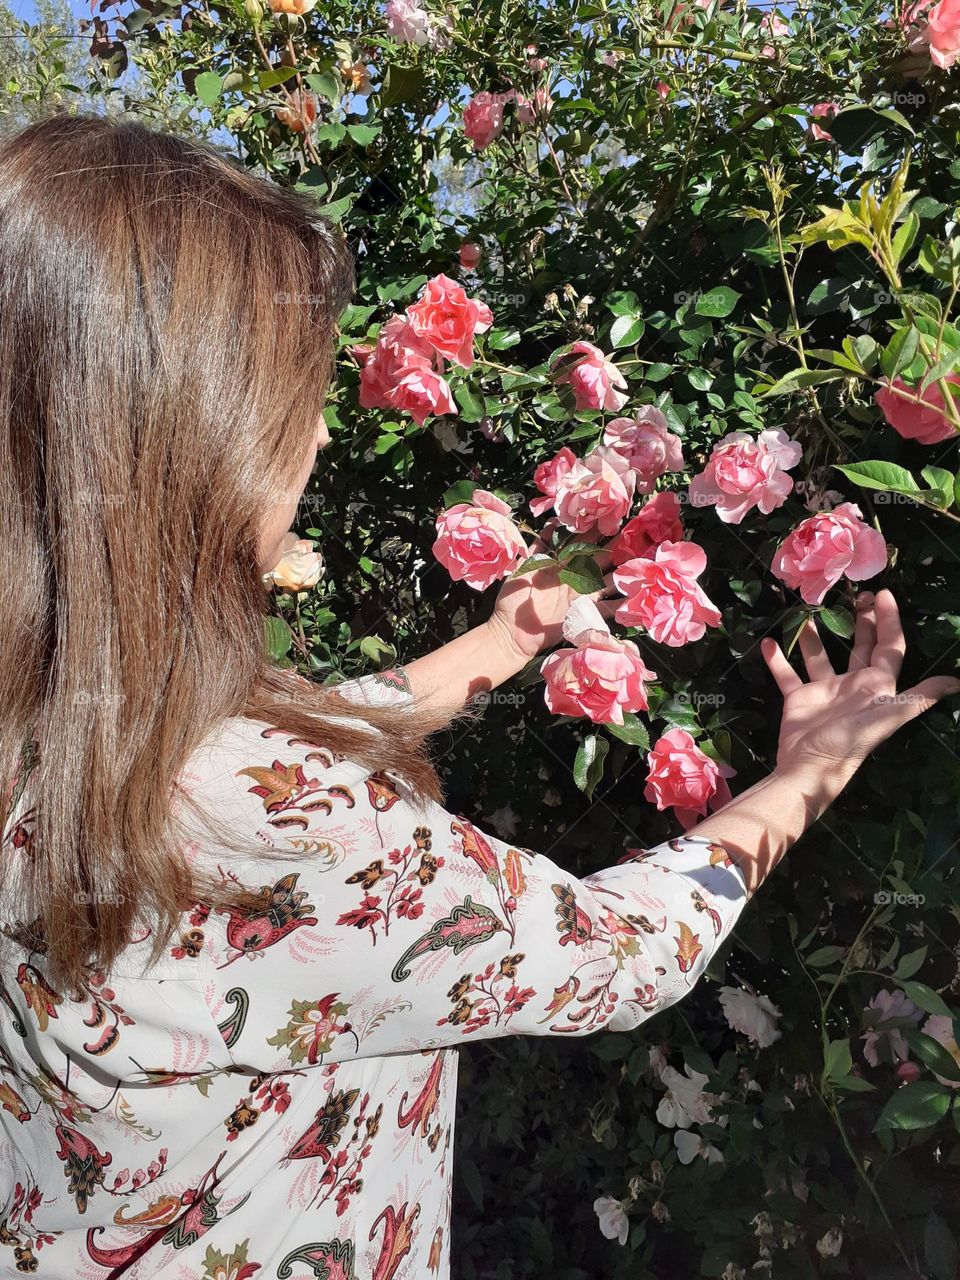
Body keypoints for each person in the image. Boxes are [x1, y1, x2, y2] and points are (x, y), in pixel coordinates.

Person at [0, 113, 955, 1280]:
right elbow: (622, 953)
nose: (313, 427)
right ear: (186, 436)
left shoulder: (58, 716)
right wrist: (811, 771)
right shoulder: (298, 830)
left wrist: (500, 641)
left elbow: (246, 751)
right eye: (289, 393)